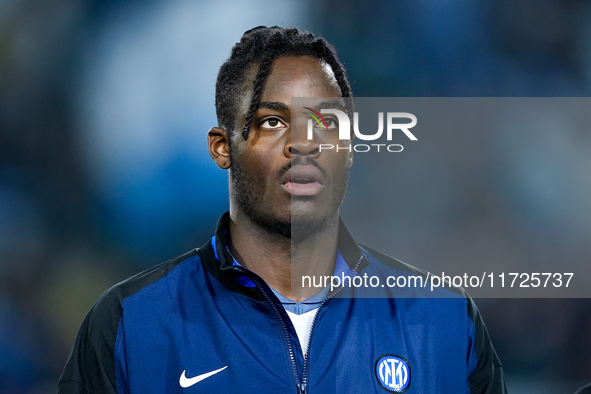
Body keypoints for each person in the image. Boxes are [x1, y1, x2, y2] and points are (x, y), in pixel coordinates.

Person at [58, 26, 506, 393]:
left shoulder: (445, 319)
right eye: (272, 121)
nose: (303, 144)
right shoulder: (128, 325)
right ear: (222, 148)